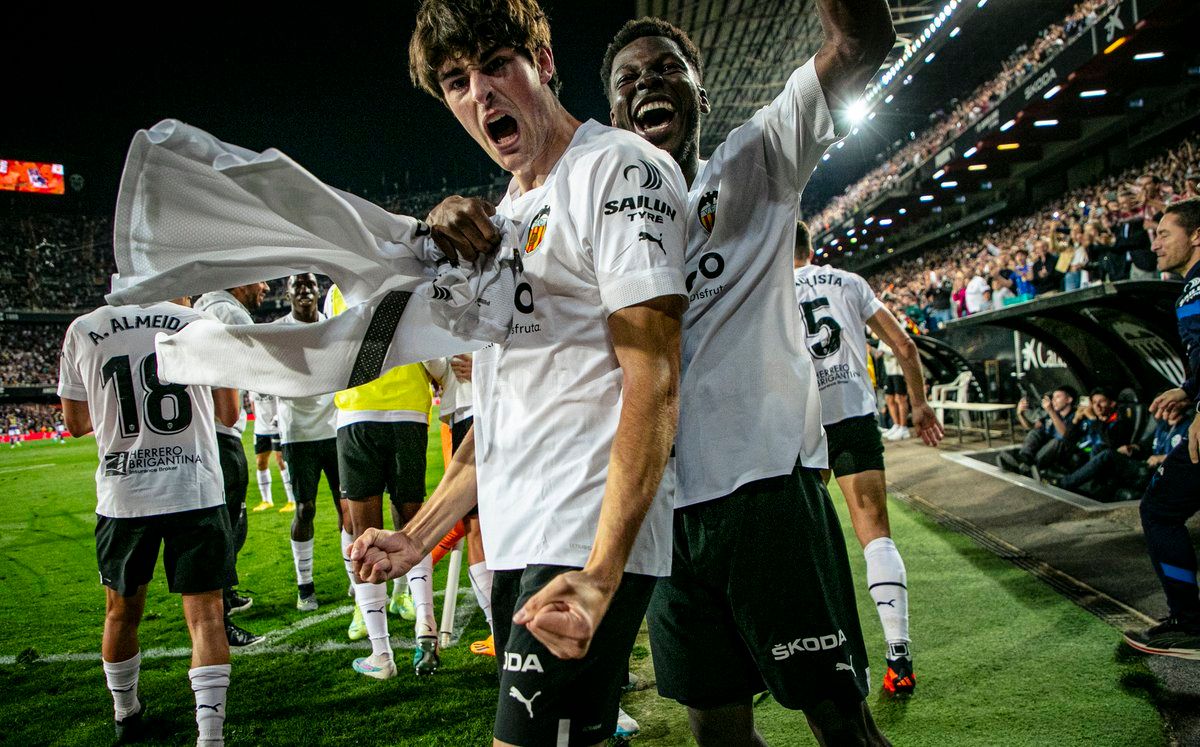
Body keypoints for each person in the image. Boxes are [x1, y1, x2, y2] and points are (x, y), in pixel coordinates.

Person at [353, 1, 687, 743]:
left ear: (542, 61)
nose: (481, 93)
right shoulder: (507, 211)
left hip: (578, 534)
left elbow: (656, 377)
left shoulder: (618, 169)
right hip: (518, 537)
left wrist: (601, 571)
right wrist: (420, 531)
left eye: (497, 64)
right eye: (456, 80)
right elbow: (503, 414)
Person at [601, 3, 895, 743]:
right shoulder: (598, 228)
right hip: (662, 518)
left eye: (667, 67)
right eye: (628, 78)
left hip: (765, 496)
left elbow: (863, 42)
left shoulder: (753, 161)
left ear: (701, 94)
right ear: (612, 111)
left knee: (841, 724)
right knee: (718, 734)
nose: (647, 83)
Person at [58, 298, 239, 745]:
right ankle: (210, 736)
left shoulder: (85, 327)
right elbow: (229, 414)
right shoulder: (199, 322)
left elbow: (75, 422)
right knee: (207, 617)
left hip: (125, 495)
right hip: (192, 487)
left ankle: (126, 715)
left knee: (120, 614)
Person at [794, 221, 944, 697]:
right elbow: (905, 345)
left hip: (799, 422)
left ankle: (818, 657)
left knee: (805, 544)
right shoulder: (849, 282)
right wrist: (919, 404)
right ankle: (898, 653)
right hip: (853, 413)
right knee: (875, 535)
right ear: (812, 248)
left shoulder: (769, 286)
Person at [322, 282, 439, 679]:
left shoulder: (337, 291)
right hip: (409, 413)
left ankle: (381, 655)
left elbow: (328, 356)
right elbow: (432, 351)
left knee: (362, 533)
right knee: (413, 524)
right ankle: (427, 628)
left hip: (357, 414)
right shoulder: (408, 283)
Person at [1124, 197, 1200, 658]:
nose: (1155, 245)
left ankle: (1190, 622)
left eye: (1164, 234)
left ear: (1196, 236)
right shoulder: (1189, 287)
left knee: (1160, 509)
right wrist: (1189, 391)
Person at [194, 283, 267, 647]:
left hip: (206, 435)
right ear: (239, 283)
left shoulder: (205, 305)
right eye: (259, 279)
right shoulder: (229, 312)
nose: (265, 287)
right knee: (224, 530)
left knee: (228, 525)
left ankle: (225, 593)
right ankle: (219, 617)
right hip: (221, 434)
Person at [274, 274, 345, 613]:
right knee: (305, 509)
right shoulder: (278, 332)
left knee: (347, 506)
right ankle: (305, 586)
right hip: (298, 433)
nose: (304, 289)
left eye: (310, 284)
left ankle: (355, 576)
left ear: (319, 292)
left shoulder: (333, 327)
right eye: (297, 285)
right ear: (286, 293)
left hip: (335, 428)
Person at [1058, 387, 1135, 494]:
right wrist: (1076, 420)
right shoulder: (1091, 419)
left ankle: (1065, 483)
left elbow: (1111, 443)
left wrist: (1094, 420)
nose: (1097, 406)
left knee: (1098, 448)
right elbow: (1067, 440)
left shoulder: (1119, 420)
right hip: (1087, 456)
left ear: (1112, 403)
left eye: (1101, 402)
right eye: (1094, 402)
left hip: (1108, 459)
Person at [999, 385, 1078, 477]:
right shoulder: (1052, 414)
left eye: (1058, 397)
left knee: (1057, 442)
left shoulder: (1075, 416)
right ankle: (1024, 459)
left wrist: (1050, 411)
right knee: (1035, 432)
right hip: (1046, 450)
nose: (1053, 400)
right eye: (1053, 398)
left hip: (1063, 452)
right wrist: (1020, 414)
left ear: (1069, 400)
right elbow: (1031, 428)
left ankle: (1027, 467)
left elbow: (1065, 435)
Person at [248, 390, 296, 513]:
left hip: (276, 427)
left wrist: (278, 419)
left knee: (281, 461)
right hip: (260, 429)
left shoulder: (272, 383)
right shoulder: (251, 384)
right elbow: (253, 405)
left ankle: (291, 501)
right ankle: (267, 500)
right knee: (260, 462)